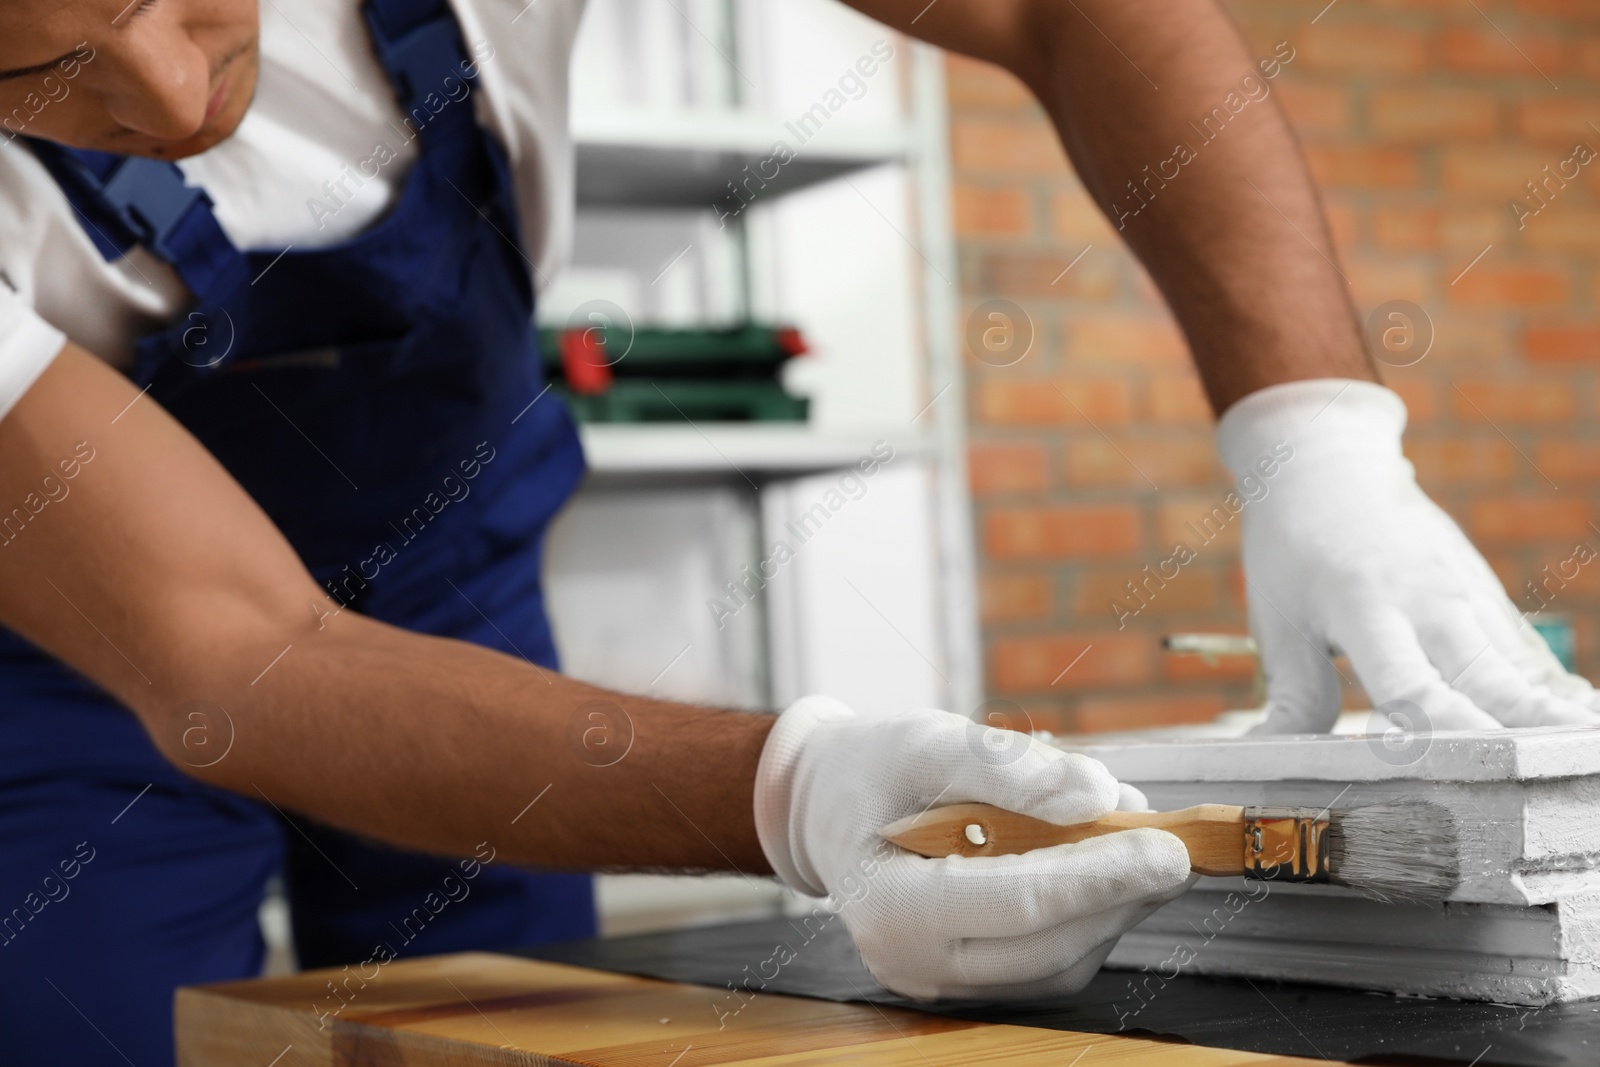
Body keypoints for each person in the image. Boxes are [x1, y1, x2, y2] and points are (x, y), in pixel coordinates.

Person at [0, 0, 1592, 1063]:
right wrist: (790, 786)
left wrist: (1315, 437)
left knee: (500, 1030)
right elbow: (241, 649)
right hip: (83, 642)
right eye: (28, 69)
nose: (162, 90)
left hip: (450, 582)